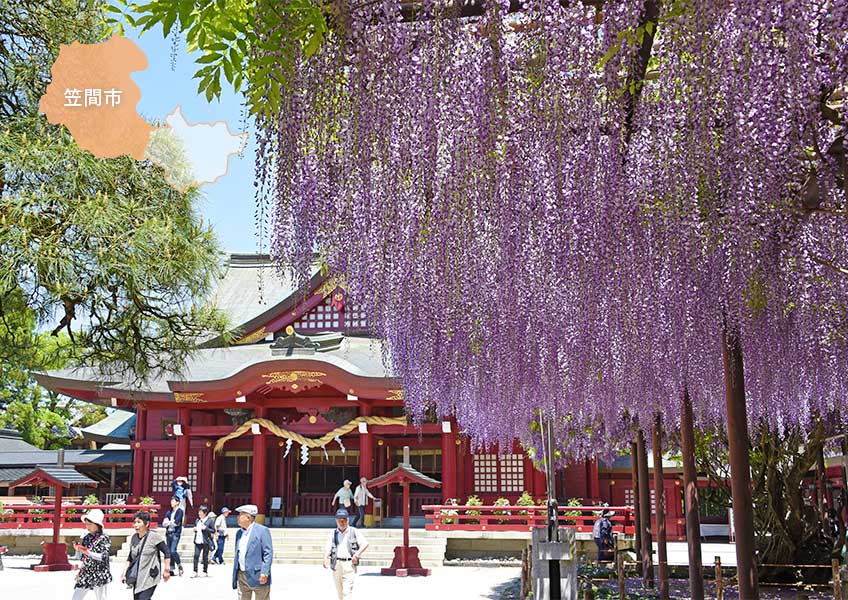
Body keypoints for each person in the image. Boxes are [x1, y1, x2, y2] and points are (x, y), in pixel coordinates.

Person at [121, 511, 171, 600]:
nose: (135, 525)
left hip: (150, 576)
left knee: (143, 598)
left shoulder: (154, 537)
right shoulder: (134, 538)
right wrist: (124, 572)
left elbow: (167, 552)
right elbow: (130, 557)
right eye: (134, 522)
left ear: (147, 524)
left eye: (139, 522)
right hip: (137, 576)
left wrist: (166, 570)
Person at [323, 508, 370, 600]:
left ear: (347, 520)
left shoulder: (353, 531)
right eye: (339, 520)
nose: (342, 522)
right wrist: (325, 558)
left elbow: (365, 543)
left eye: (344, 520)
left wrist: (357, 554)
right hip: (336, 564)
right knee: (340, 592)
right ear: (336, 521)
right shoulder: (333, 533)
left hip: (349, 564)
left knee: (346, 592)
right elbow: (328, 547)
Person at [231, 504, 273, 600]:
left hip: (258, 574)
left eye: (240, 515)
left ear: (248, 517)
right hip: (242, 574)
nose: (237, 518)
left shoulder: (262, 531)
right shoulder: (239, 533)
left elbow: (268, 553)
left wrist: (264, 572)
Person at [71, 508, 111, 600]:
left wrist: (87, 552)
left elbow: (103, 557)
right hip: (86, 571)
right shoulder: (86, 537)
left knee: (101, 597)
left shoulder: (104, 538)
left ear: (97, 525)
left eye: (89, 524)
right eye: (86, 524)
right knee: (76, 596)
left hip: (99, 571)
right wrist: (78, 550)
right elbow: (82, 558)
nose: (87, 526)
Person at [162, 497, 184, 576]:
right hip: (168, 533)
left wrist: (169, 522)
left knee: (173, 550)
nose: (171, 502)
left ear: (177, 502)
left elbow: (176, 523)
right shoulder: (169, 512)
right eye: (171, 501)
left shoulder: (180, 511)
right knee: (169, 552)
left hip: (175, 533)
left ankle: (179, 565)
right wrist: (170, 522)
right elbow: (164, 523)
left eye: (173, 501)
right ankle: (171, 569)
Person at [192, 504, 215, 577]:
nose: (199, 513)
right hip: (198, 540)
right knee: (196, 556)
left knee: (205, 557)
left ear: (205, 513)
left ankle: (205, 571)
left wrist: (206, 528)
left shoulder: (209, 521)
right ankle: (195, 571)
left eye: (201, 512)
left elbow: (213, 530)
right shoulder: (197, 520)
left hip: (205, 541)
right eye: (199, 512)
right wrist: (195, 529)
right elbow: (197, 529)